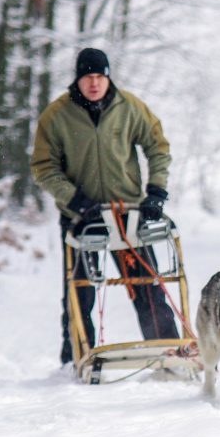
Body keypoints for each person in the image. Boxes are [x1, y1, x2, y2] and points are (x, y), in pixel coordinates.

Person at [31, 47, 179, 365]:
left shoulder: (130, 107)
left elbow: (158, 147)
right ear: (78, 79)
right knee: (79, 290)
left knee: (145, 286)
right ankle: (76, 358)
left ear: (108, 76)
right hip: (81, 218)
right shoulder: (56, 115)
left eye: (100, 76)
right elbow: (44, 167)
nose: (94, 83)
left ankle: (167, 349)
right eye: (88, 77)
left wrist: (156, 190)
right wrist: (74, 200)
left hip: (127, 214)